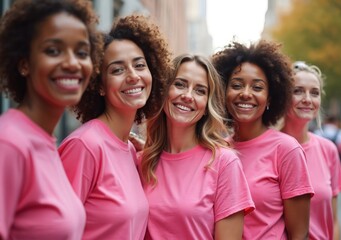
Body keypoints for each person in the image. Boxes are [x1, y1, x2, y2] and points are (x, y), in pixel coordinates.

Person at [58, 15, 171, 240]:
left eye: (139, 65)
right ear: (100, 85)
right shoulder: (85, 146)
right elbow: (53, 230)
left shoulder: (130, 150)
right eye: (117, 70)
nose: (133, 76)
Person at [0, 0, 102, 239]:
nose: (72, 63)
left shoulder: (47, 143)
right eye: (53, 51)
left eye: (82, 52)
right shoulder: (9, 143)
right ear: (24, 63)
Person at [140, 54, 255, 239]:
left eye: (200, 91)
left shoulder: (224, 162)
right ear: (164, 91)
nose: (187, 96)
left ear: (206, 106)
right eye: (180, 84)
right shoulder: (140, 162)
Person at [212, 40, 314, 239]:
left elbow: (299, 234)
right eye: (236, 85)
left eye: (257, 88)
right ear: (223, 92)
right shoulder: (216, 150)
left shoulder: (286, 149)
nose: (246, 94)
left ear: (270, 97)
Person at [281, 61, 341, 240]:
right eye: (298, 91)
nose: (308, 99)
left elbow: (333, 222)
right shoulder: (269, 148)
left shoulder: (328, 150)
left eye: (315, 93)